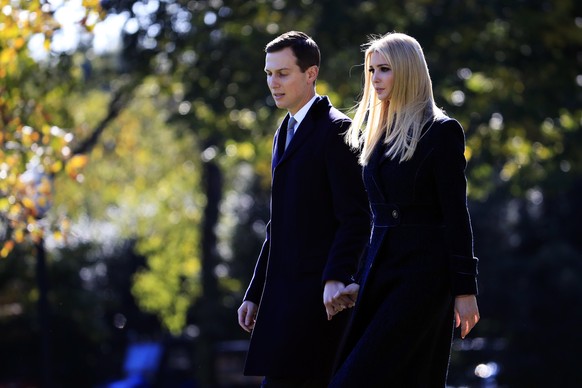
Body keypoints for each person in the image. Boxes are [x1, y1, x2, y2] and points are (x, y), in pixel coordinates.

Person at [328, 32, 481, 387]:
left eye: (385, 69)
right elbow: (375, 219)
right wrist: (359, 279)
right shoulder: (377, 133)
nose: (375, 78)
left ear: (409, 72)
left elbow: (456, 215)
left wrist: (465, 290)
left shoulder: (442, 132)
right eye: (371, 70)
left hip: (424, 279)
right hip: (380, 276)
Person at [237, 31, 370, 387]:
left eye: (282, 73)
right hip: (283, 305)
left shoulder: (338, 130)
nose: (272, 83)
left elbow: (356, 218)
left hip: (320, 306)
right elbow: (278, 225)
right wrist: (254, 293)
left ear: (310, 74)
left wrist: (335, 278)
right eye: (268, 73)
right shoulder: (283, 132)